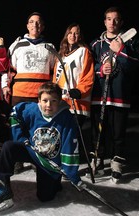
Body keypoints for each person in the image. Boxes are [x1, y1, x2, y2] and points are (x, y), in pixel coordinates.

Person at [0, 82, 84, 214]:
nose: (48, 105)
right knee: (9, 147)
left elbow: (69, 145)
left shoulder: (66, 117)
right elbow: (15, 114)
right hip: (31, 150)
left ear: (60, 101)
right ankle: (2, 187)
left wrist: (71, 173)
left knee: (45, 197)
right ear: (39, 100)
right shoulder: (32, 109)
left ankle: (55, 182)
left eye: (53, 101)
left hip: (48, 161)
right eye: (45, 101)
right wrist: (21, 138)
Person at [89, 6, 139, 183]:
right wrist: (100, 69)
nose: (112, 22)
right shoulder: (96, 44)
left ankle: (117, 163)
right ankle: (97, 161)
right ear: (104, 21)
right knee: (97, 132)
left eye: (116, 19)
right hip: (100, 95)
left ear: (121, 22)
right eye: (108, 19)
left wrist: (121, 50)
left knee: (118, 133)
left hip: (120, 95)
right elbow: (89, 67)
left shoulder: (130, 41)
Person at [8, 12, 56, 173]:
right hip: (20, 93)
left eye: (38, 22)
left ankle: (38, 159)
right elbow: (9, 69)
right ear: (27, 25)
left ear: (42, 27)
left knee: (38, 128)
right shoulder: (16, 45)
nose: (35, 25)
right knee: (17, 128)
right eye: (31, 22)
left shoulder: (50, 47)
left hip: (40, 96)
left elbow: (53, 69)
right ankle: (17, 159)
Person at [52, 23, 94, 162]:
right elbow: (55, 80)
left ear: (80, 36)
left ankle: (71, 166)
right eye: (70, 33)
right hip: (62, 103)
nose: (73, 36)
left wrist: (79, 91)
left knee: (72, 135)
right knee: (61, 135)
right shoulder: (61, 56)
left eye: (76, 33)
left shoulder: (84, 52)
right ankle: (60, 163)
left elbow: (88, 76)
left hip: (77, 102)